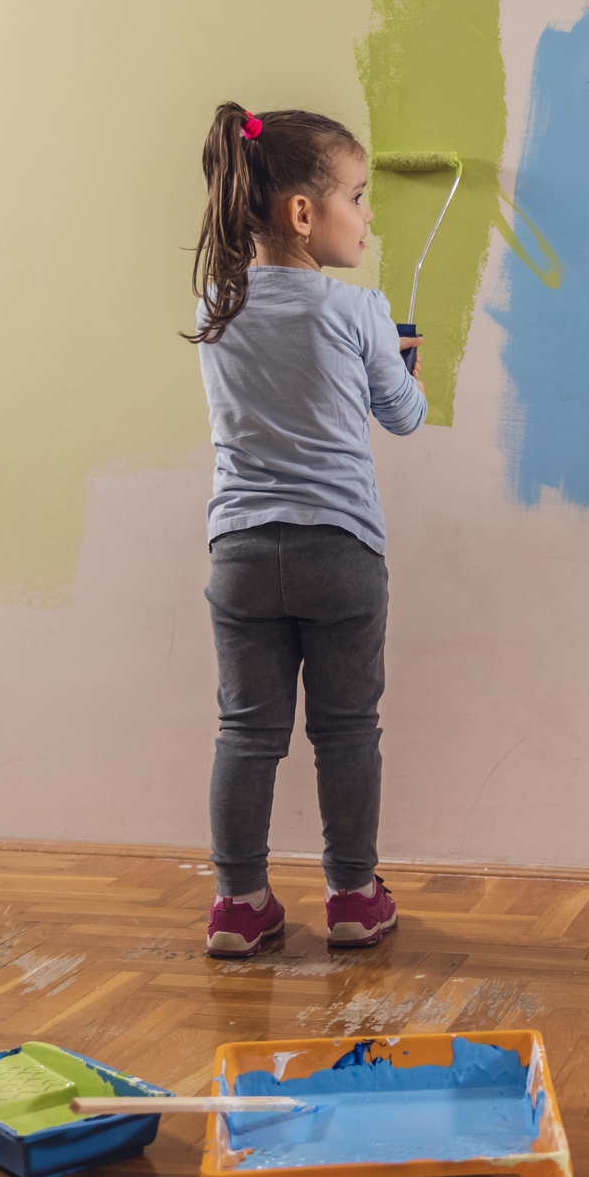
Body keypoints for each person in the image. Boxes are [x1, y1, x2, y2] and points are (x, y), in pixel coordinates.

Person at [184, 103, 426, 957]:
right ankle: (354, 896)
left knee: (247, 733)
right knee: (346, 731)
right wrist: (403, 364)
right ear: (301, 213)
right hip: (340, 554)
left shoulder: (217, 306)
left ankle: (240, 906)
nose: (366, 215)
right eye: (356, 197)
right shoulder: (360, 311)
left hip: (242, 554)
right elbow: (402, 418)